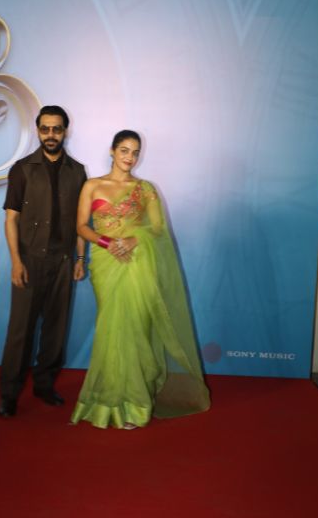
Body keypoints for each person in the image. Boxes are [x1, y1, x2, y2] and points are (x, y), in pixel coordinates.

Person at [70, 130, 211, 429]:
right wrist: (107, 243)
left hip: (138, 264)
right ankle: (109, 401)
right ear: (112, 151)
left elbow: (158, 230)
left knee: (136, 330)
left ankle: (135, 403)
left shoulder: (145, 189)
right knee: (111, 330)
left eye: (135, 152)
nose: (129, 157)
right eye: (124, 150)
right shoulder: (92, 186)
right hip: (106, 264)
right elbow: (81, 226)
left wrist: (135, 240)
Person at [0, 105, 87, 418]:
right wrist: (16, 261)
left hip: (63, 261)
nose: (51, 135)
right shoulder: (22, 169)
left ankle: (44, 385)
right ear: (38, 131)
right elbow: (11, 220)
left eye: (57, 129)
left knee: (55, 330)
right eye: (45, 129)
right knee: (20, 332)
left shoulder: (78, 172)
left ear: (65, 131)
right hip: (29, 261)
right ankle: (9, 394)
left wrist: (79, 258)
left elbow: (81, 222)